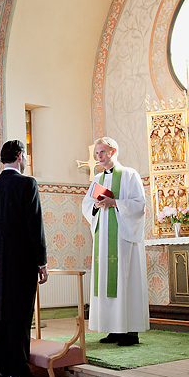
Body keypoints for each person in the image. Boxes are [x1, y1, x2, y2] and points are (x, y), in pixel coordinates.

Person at [0, 139, 49, 377]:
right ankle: (19, 373)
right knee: (21, 315)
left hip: (0, 258)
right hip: (22, 258)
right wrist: (41, 261)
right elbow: (35, 225)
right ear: (20, 156)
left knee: (3, 314)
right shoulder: (27, 183)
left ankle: (3, 370)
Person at [81, 137, 149, 346]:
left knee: (124, 279)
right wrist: (96, 206)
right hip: (104, 237)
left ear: (113, 151)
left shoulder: (129, 175)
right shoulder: (97, 179)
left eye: (102, 152)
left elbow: (139, 205)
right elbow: (86, 205)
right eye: (97, 153)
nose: (98, 157)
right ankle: (113, 329)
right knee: (106, 282)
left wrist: (115, 203)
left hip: (122, 238)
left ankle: (130, 332)